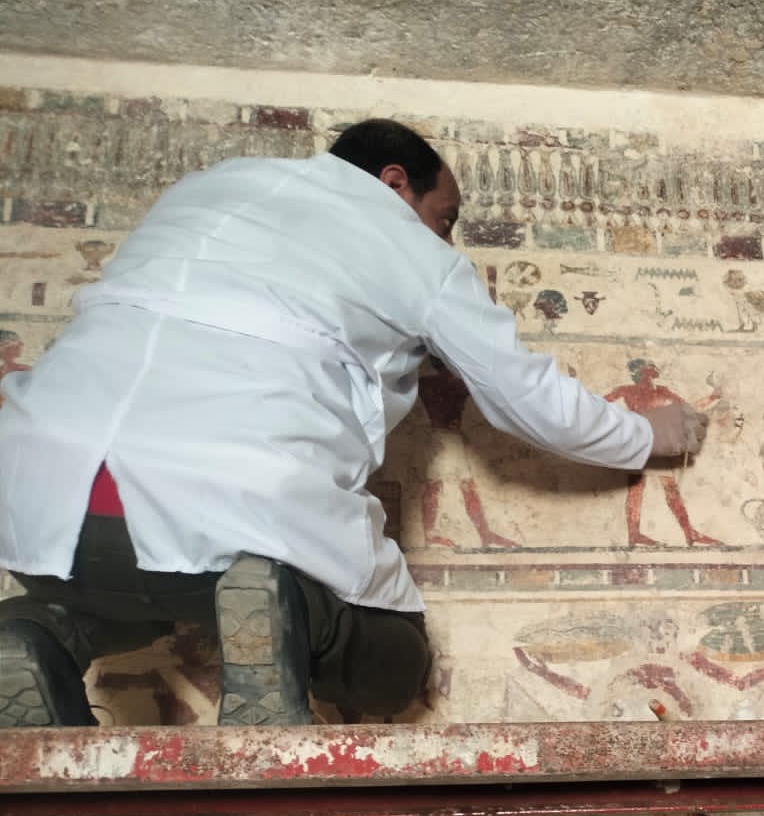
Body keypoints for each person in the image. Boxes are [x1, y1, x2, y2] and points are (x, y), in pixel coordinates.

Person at [0, 119, 707, 729]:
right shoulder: (415, 251)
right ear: (395, 182)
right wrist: (648, 434)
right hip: (232, 486)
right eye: (444, 218)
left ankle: (37, 631)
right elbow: (525, 395)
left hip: (40, 492)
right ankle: (286, 603)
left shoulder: (203, 189)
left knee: (125, 592)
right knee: (390, 661)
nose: (446, 238)